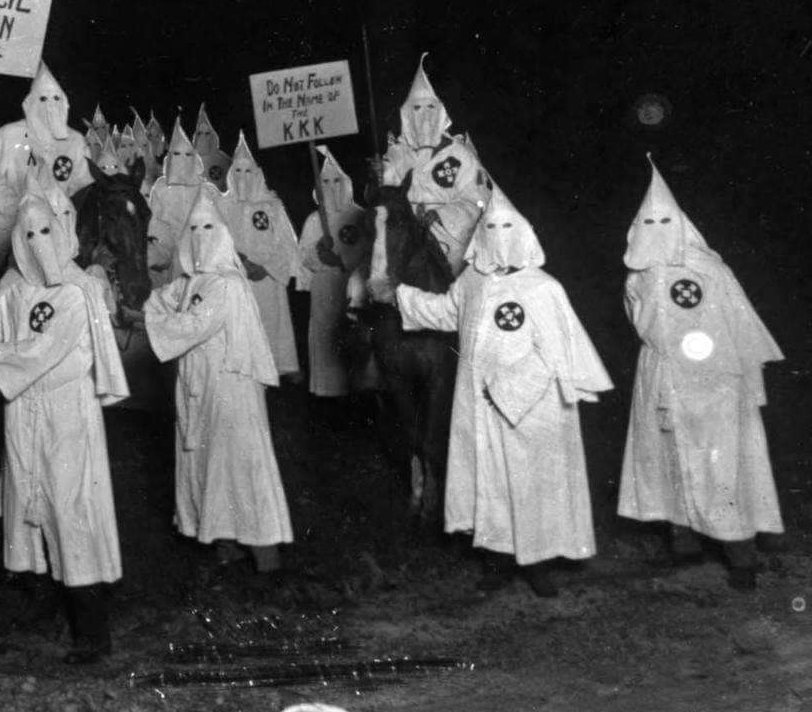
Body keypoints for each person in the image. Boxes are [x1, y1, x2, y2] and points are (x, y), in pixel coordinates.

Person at [395, 190, 609, 596]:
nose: (498, 234)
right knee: (490, 479)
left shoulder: (545, 289)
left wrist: (510, 391)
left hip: (532, 406)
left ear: (525, 232)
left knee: (532, 483)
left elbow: (558, 355)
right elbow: (446, 313)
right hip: (479, 401)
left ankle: (538, 563)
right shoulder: (473, 280)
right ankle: (497, 560)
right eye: (490, 226)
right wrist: (401, 296)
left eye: (506, 226)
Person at [0, 191, 129, 664]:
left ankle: (93, 632)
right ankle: (47, 606)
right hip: (23, 410)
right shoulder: (14, 284)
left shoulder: (76, 292)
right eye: (27, 234)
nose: (37, 243)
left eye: (45, 232)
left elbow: (40, 351)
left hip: (67, 413)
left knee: (69, 507)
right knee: (29, 505)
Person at [614, 164, 782, 590]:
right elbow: (644, 326)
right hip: (666, 380)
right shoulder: (639, 277)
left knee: (723, 465)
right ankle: (683, 541)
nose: (657, 229)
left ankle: (740, 554)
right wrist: (651, 277)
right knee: (670, 458)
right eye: (648, 223)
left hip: (717, 385)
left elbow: (743, 326)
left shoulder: (714, 271)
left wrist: (749, 379)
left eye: (665, 222)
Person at [147, 187, 292, 573]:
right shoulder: (194, 281)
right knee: (209, 461)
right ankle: (225, 546)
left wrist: (148, 321)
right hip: (201, 385)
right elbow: (160, 301)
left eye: (208, 228)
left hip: (232, 386)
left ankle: (267, 558)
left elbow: (194, 325)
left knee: (241, 464)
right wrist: (133, 310)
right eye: (192, 229)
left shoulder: (228, 283)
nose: (200, 236)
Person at [0, 64, 92, 307]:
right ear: (30, 102)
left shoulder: (74, 141)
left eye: (56, 98)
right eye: (43, 98)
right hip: (6, 216)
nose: (50, 104)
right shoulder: (8, 135)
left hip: (54, 219)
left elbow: (83, 187)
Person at [380, 56, 489, 273]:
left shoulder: (459, 154)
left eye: (431, 107)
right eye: (417, 108)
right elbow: (383, 197)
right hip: (407, 236)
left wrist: (441, 216)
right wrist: (378, 178)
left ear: (440, 110)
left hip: (452, 237)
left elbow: (479, 198)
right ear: (407, 113)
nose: (425, 116)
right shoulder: (397, 153)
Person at [218, 139, 303, 380]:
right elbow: (214, 242)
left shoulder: (272, 205)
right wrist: (239, 262)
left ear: (257, 173)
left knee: (270, 326)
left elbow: (288, 244)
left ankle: (277, 369)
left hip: (267, 279)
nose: (243, 176)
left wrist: (266, 267)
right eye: (238, 171)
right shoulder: (222, 205)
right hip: (236, 277)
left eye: (248, 170)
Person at [295, 146, 371, 400]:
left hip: (354, 286)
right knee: (325, 335)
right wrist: (318, 254)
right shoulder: (314, 220)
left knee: (354, 335)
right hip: (325, 286)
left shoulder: (359, 215)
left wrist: (342, 262)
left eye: (336, 180)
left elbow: (367, 251)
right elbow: (303, 254)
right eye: (325, 181)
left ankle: (360, 389)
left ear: (346, 182)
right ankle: (328, 391)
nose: (331, 185)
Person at [142, 127, 208, 289]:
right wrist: (159, 254)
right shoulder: (161, 188)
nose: (182, 160)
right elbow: (156, 225)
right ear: (169, 157)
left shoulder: (206, 189)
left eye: (187, 155)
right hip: (171, 258)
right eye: (176, 154)